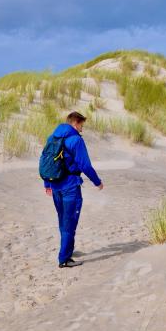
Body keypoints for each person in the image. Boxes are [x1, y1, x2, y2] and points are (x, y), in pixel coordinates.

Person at [43, 111, 104, 268]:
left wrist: (47, 184)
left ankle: (67, 249)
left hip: (55, 185)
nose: (82, 129)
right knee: (70, 222)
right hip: (70, 187)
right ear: (75, 122)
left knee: (63, 219)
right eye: (81, 125)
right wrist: (97, 182)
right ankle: (64, 259)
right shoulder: (76, 140)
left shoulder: (53, 137)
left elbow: (44, 160)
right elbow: (85, 165)